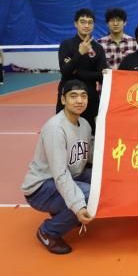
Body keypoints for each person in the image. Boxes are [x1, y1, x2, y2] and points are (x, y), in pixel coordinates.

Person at [22, 79, 94, 255]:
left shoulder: (84, 124)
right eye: (73, 96)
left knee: (100, 182)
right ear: (63, 100)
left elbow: (91, 154)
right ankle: (49, 231)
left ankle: (63, 211)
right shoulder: (55, 129)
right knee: (88, 195)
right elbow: (60, 174)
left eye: (83, 96)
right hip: (41, 187)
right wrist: (78, 205)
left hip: (70, 176)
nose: (79, 100)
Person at [57, 8, 107, 135]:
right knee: (65, 133)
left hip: (89, 99)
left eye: (90, 22)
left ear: (93, 25)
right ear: (76, 24)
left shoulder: (98, 48)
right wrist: (80, 53)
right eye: (83, 22)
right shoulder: (66, 45)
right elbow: (65, 71)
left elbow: (102, 76)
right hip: (68, 97)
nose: (86, 25)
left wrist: (77, 72)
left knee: (90, 136)